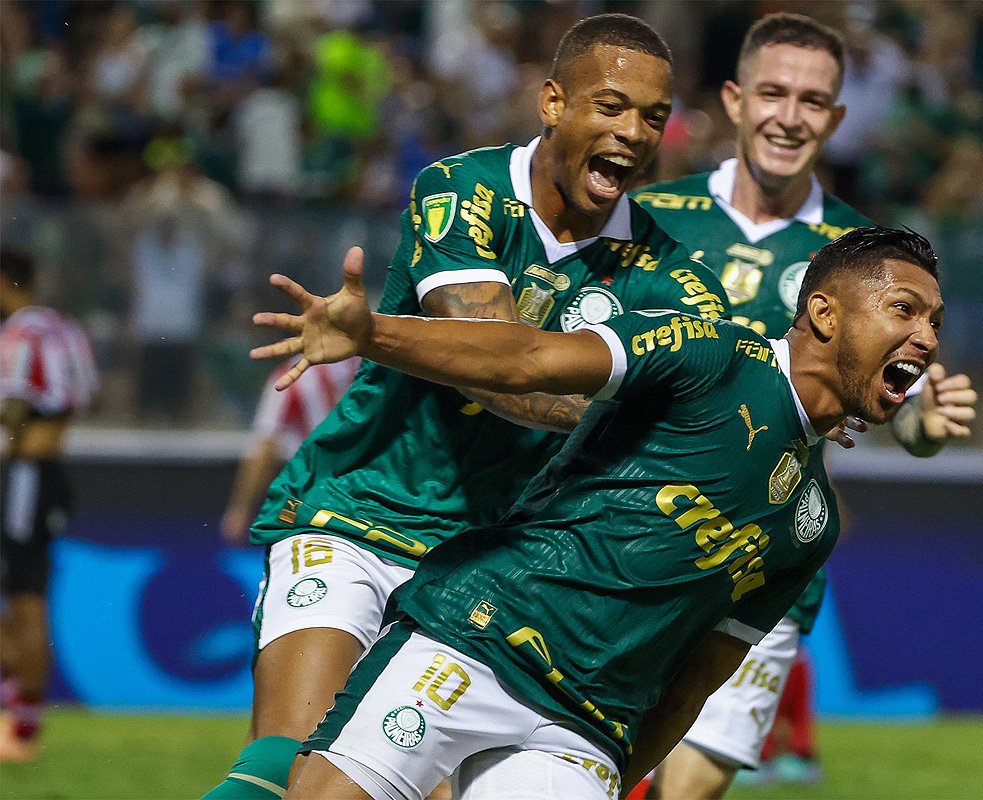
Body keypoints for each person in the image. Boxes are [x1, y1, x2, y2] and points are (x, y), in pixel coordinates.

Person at [202, 14, 729, 799]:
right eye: (611, 107)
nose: (634, 132)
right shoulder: (462, 192)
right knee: (290, 760)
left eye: (653, 116)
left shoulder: (674, 280)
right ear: (553, 103)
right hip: (358, 511)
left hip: (490, 567)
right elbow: (487, 359)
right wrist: (610, 415)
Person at [250, 224, 943, 800]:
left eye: (935, 322)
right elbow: (527, 356)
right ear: (824, 314)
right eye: (905, 310)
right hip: (476, 644)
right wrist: (372, 333)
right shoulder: (713, 354)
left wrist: (614, 774)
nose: (929, 337)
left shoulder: (811, 520)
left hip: (582, 737)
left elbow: (694, 684)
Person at [631, 14, 977, 798]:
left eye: (813, 100)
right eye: (774, 93)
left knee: (688, 788)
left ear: (838, 118)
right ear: (734, 99)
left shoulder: (866, 252)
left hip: (767, 556)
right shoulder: (652, 218)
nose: (790, 116)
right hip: (637, 540)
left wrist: (929, 420)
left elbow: (907, 411)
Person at [0, 247, 99, 762]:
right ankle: (21, 722)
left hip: (23, 474)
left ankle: (17, 725)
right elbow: (90, 395)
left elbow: (13, 405)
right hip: (51, 470)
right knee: (25, 593)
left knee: (22, 598)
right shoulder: (67, 329)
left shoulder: (21, 333)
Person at [220, 358, 361, 545]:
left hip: (315, 498)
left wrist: (240, 508)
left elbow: (265, 445)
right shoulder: (375, 363)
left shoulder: (292, 375)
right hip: (373, 493)